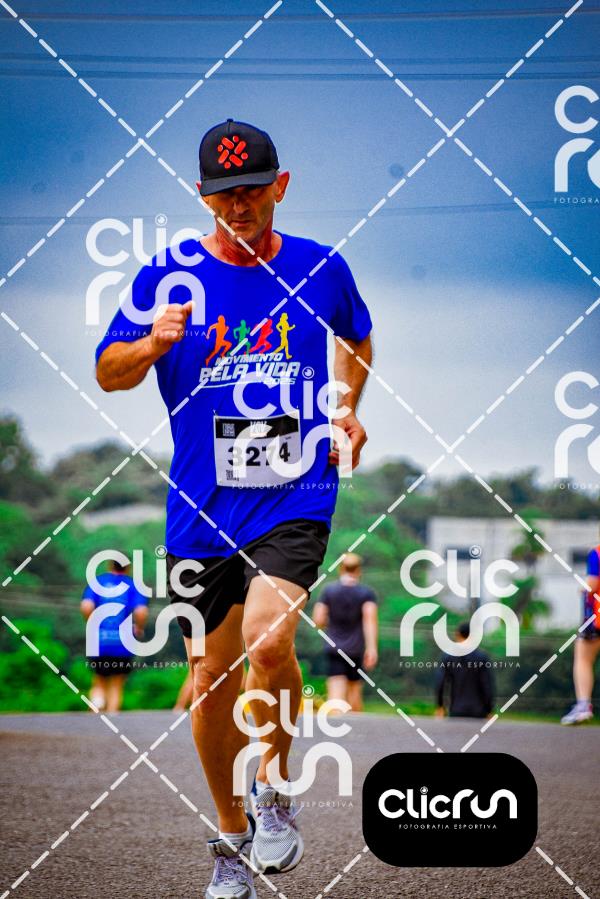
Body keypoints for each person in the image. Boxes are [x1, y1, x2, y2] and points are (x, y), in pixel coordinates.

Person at [95, 118, 372, 899]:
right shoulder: (166, 276)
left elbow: (358, 336)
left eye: (252, 190)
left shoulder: (321, 267)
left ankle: (276, 787)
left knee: (269, 637)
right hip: (201, 507)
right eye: (223, 195)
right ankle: (230, 833)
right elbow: (109, 371)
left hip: (295, 490)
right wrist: (151, 344)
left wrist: (345, 406)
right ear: (201, 195)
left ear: (280, 186)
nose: (239, 205)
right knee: (212, 673)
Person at [81, 558, 149, 713]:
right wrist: (139, 627)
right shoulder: (132, 585)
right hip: (123, 642)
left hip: (99, 641)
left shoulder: (99, 582)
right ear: (128, 568)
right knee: (117, 682)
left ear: (110, 565)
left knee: (99, 679)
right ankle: (112, 715)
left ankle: (97, 705)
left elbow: (86, 605)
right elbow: (141, 611)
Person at [312, 553, 378, 712]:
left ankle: (337, 723)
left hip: (334, 648)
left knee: (336, 691)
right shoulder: (366, 593)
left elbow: (318, 619)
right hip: (356, 650)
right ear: (358, 570)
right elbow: (369, 620)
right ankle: (355, 726)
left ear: (341, 569)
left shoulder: (329, 590)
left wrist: (329, 624)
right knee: (354, 690)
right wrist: (372, 649)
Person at [561, 543, 600, 724]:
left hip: (596, 618)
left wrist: (582, 588)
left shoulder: (597, 553)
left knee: (583, 658)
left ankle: (583, 706)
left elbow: (593, 584)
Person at [434, 622, 494, 719]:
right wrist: (489, 709)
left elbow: (440, 683)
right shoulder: (482, 657)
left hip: (456, 710)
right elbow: (487, 685)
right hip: (479, 711)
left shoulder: (448, 657)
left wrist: (440, 706)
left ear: (458, 634)